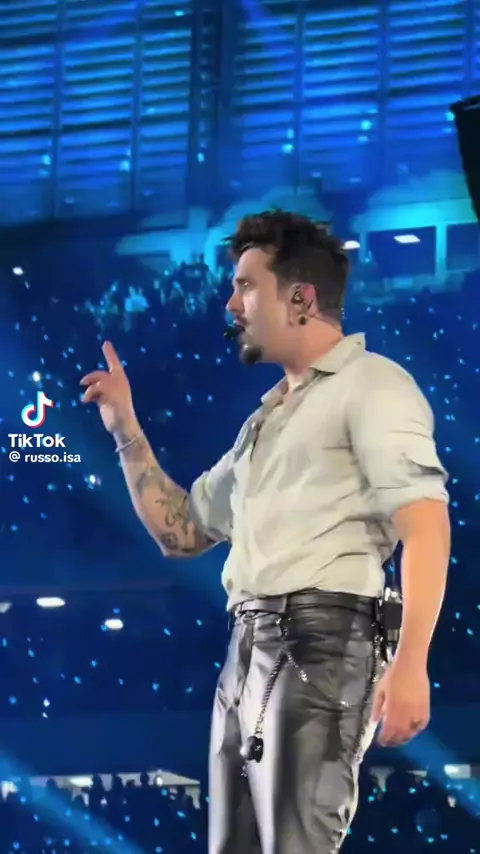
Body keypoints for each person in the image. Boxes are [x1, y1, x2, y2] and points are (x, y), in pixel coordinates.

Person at [80, 210, 451, 854]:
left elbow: (425, 525)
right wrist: (126, 429)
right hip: (246, 644)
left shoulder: (374, 385)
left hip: (322, 640)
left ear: (300, 299)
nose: (231, 304)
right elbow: (181, 532)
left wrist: (412, 662)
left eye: (247, 286)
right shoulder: (264, 422)